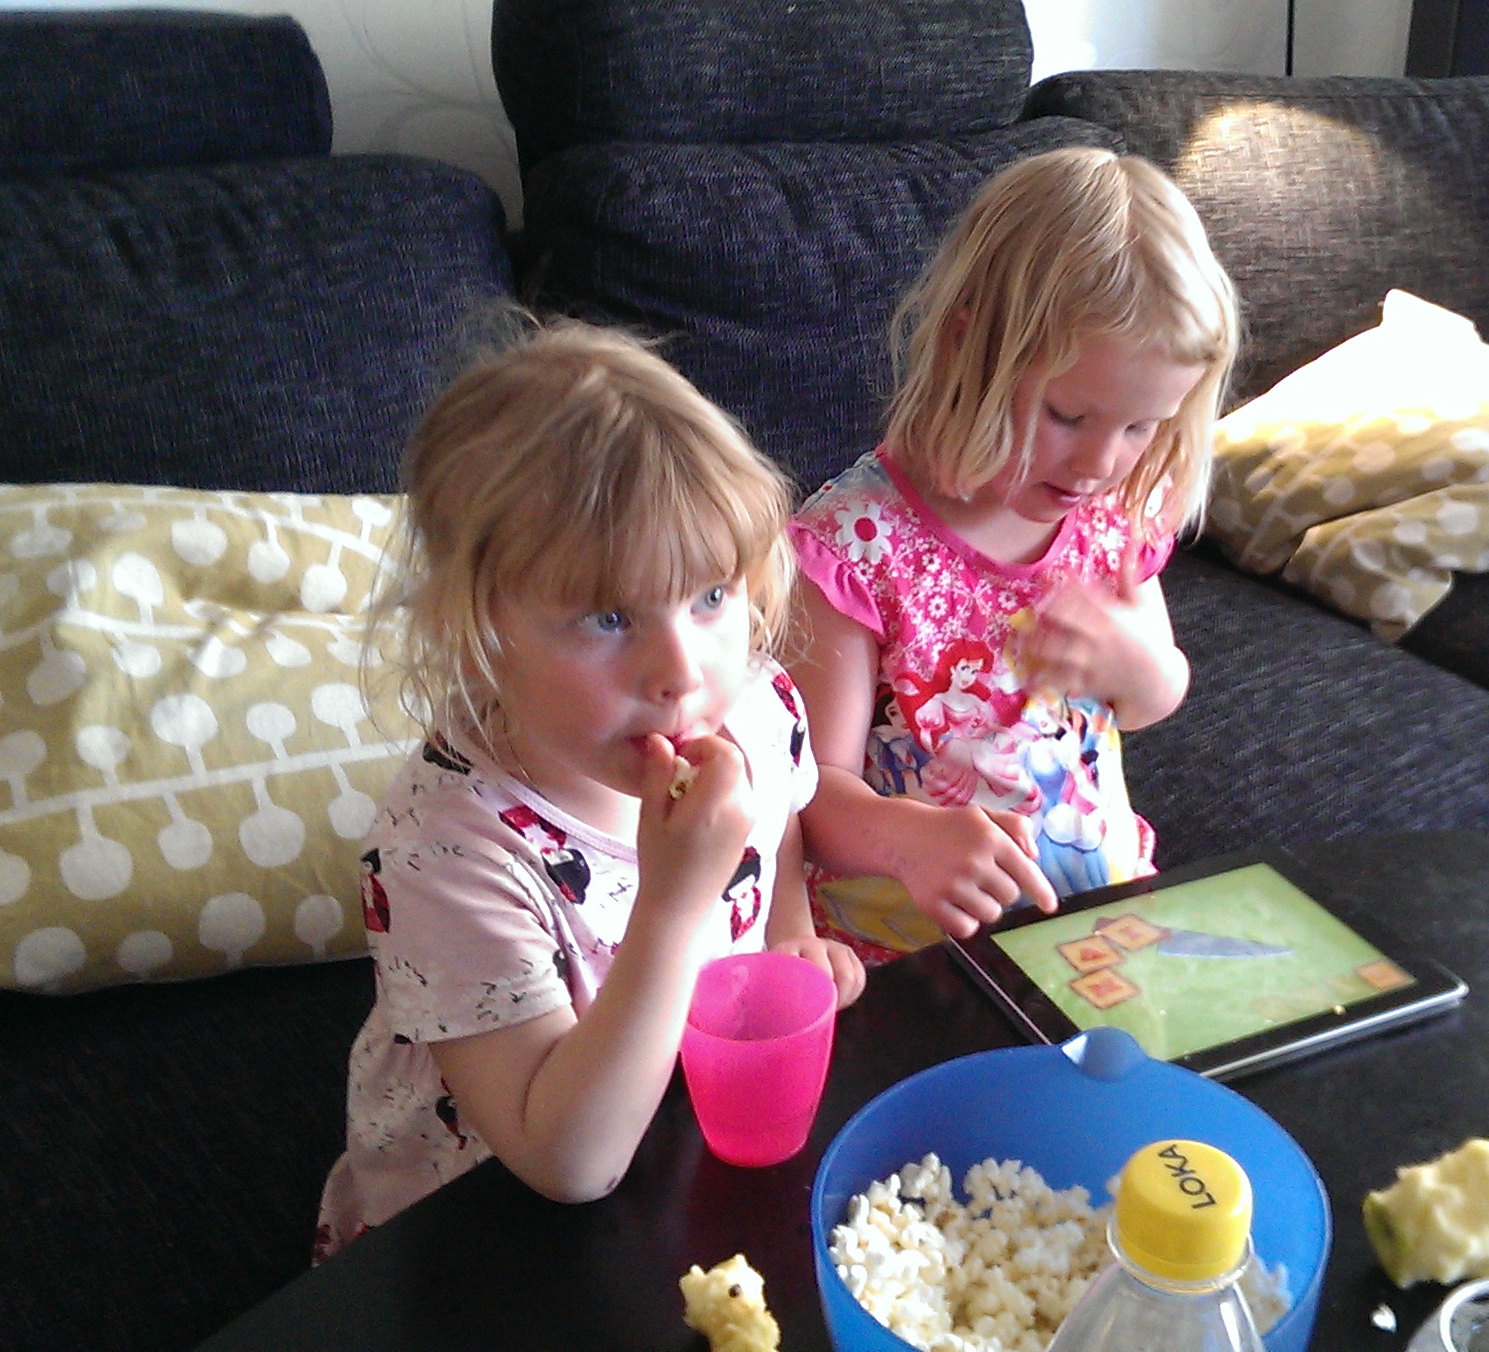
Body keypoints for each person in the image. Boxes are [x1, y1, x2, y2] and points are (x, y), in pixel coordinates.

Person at [316, 321, 865, 1261]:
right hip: (489, 1226)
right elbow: (566, 1164)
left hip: (676, 1150)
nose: (682, 672)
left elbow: (774, 829)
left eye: (711, 597)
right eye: (609, 618)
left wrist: (787, 931)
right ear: (478, 630)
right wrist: (674, 901)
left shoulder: (756, 709)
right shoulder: (442, 853)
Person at [788, 146, 1241, 960]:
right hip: (915, 952)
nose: (1101, 463)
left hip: (1096, 926)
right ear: (970, 348)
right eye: (1069, 416)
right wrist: (908, 840)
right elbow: (808, 796)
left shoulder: (1114, 517)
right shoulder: (852, 550)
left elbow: (1151, 697)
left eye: (1142, 426)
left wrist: (1140, 669)